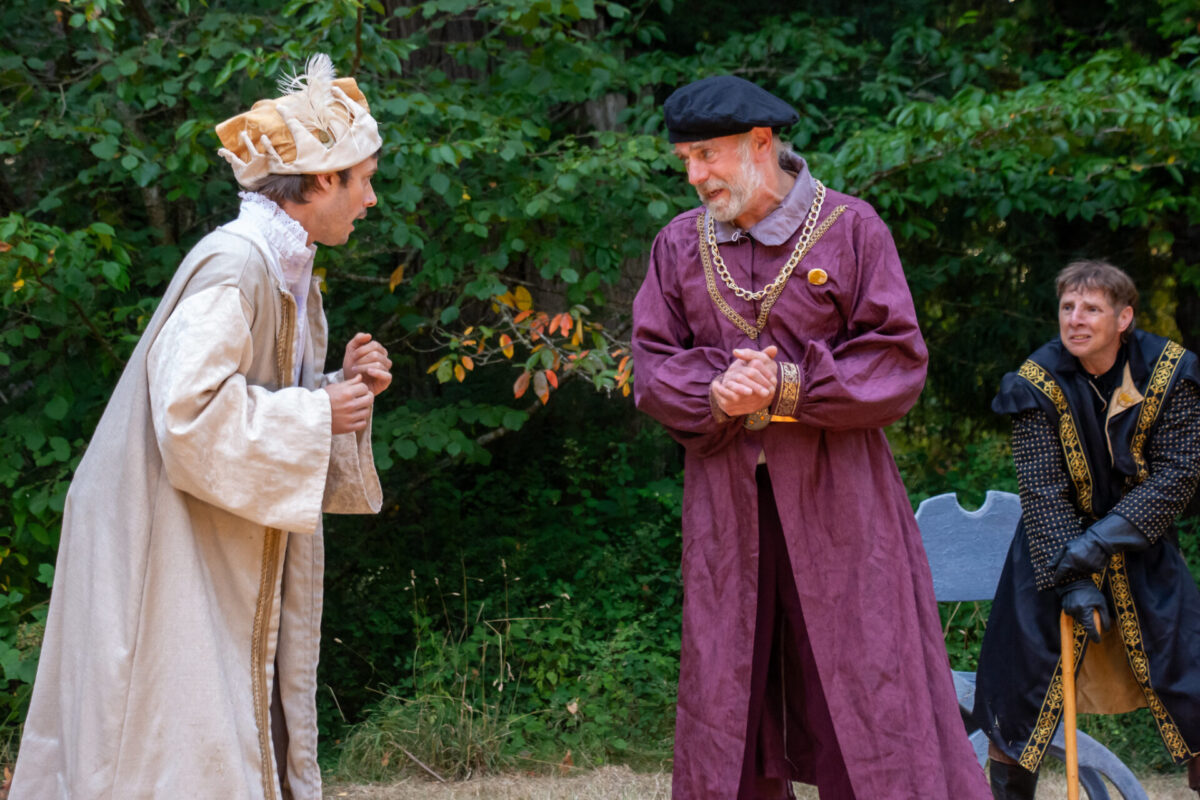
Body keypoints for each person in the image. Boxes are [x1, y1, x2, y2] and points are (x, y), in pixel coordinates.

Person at [10, 54, 390, 800]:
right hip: (154, 539)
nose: (371, 199)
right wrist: (319, 413)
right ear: (322, 180)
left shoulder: (283, 266)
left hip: (200, 532)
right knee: (165, 744)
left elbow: (246, 397)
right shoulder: (235, 267)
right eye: (364, 179)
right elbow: (187, 414)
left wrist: (333, 388)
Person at [632, 74, 989, 800]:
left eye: (707, 155)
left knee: (864, 679)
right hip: (729, 508)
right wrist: (716, 393)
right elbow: (653, 363)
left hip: (843, 503)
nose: (694, 175)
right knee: (731, 686)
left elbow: (897, 360)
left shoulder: (852, 228)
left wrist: (788, 387)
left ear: (761, 143)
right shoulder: (677, 245)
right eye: (686, 160)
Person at [974, 261, 1200, 799]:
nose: (1075, 319)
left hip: (1144, 550)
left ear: (1123, 318)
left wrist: (1098, 543)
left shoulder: (1171, 372)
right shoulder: (1035, 380)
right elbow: (1042, 491)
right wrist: (1073, 577)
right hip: (1051, 555)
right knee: (1017, 698)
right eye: (1067, 307)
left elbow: (1179, 473)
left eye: (1092, 308)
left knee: (1195, 682)